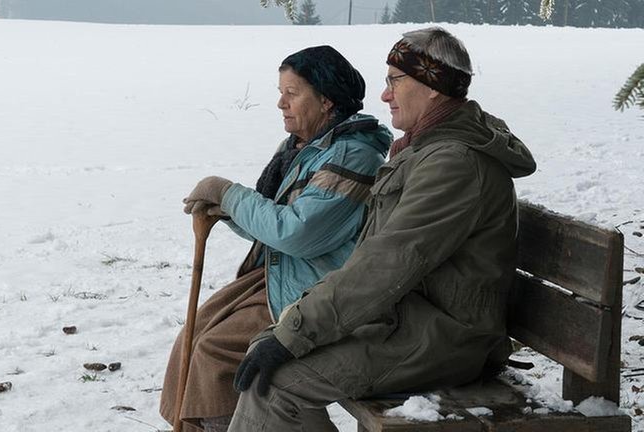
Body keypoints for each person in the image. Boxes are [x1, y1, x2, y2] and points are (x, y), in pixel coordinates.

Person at [226, 27, 538, 431]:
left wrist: (296, 331)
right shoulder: (422, 151)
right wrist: (291, 328)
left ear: (431, 87)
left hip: (444, 339)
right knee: (265, 354)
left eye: (394, 80)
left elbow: (387, 263)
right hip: (410, 322)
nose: (385, 94)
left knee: (277, 384)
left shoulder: (453, 164)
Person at [159, 45, 393, 432]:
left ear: (326, 100)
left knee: (214, 353)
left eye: (292, 92)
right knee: (197, 333)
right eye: (280, 91)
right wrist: (225, 210)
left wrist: (230, 195)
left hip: (317, 292)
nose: (280, 103)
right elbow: (275, 224)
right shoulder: (306, 150)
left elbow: (297, 233)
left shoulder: (353, 156)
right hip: (285, 275)